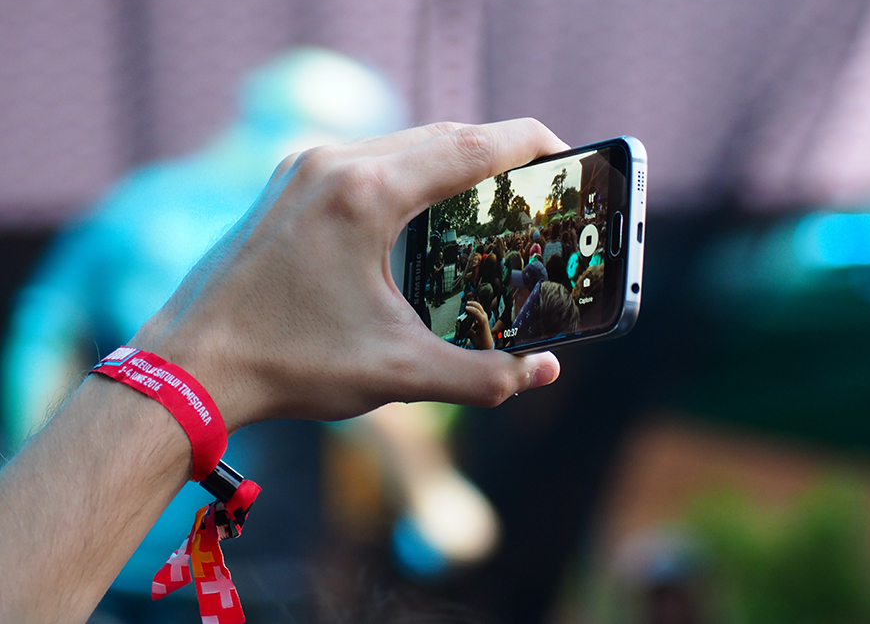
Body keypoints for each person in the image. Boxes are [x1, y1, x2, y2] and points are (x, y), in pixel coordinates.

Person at [0, 118, 564, 624]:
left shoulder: (133, 202)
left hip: (104, 561)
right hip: (251, 570)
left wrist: (43, 479)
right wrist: (432, 494)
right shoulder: (299, 227)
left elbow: (42, 335)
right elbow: (374, 416)